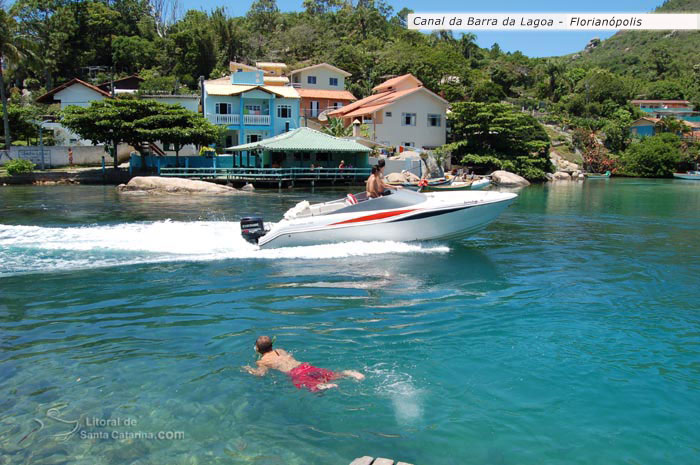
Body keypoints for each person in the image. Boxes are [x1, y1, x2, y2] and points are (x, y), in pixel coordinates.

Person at [244, 336, 365, 392]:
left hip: (296, 373)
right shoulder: (279, 350)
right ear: (272, 345)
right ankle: (347, 373)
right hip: (304, 366)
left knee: (311, 385)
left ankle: (321, 386)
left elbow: (261, 374)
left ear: (258, 349)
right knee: (330, 375)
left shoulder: (261, 361)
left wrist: (249, 369)